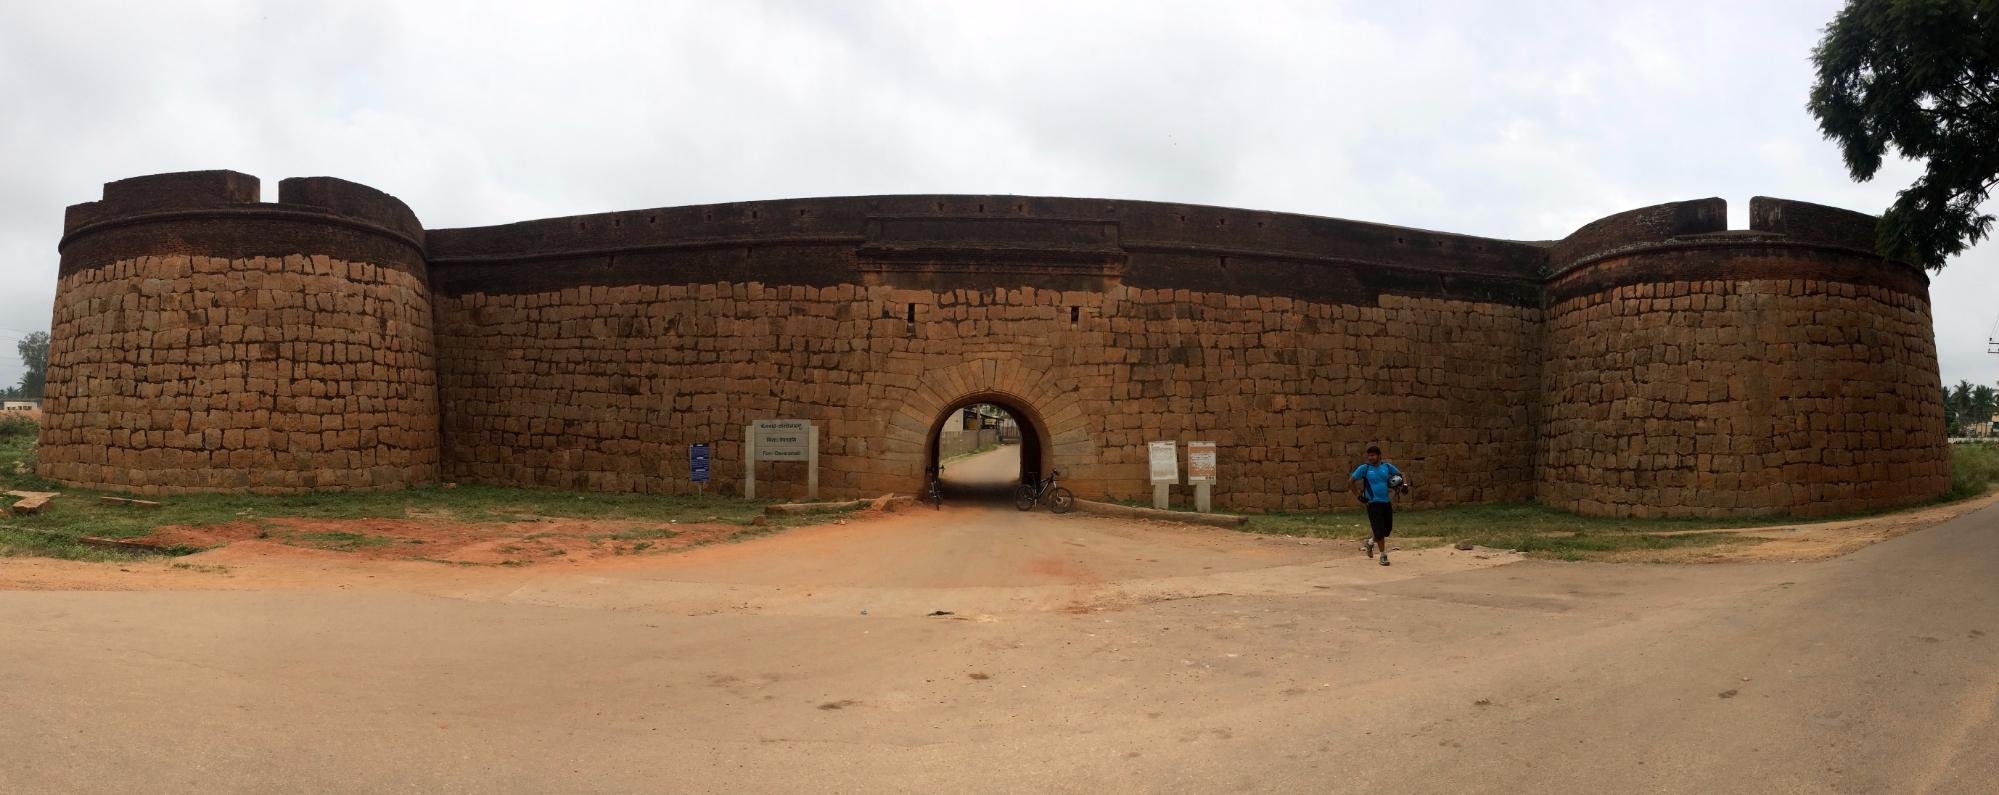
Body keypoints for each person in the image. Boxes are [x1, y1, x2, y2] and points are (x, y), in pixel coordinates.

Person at [1349, 445, 1410, 566]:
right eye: (1369, 455)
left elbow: (1401, 474)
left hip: (1386, 502)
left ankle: (1370, 542)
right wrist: (1358, 496)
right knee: (1379, 530)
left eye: (1373, 455)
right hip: (1372, 503)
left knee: (1387, 530)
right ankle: (1383, 556)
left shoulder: (1386, 467)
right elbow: (1351, 481)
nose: (1370, 458)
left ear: (1379, 456)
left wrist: (1405, 485)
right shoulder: (1365, 468)